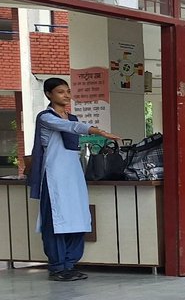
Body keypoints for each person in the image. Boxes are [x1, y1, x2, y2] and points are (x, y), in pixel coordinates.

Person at [26, 78, 120, 281]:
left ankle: (69, 264)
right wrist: (97, 131)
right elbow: (70, 128)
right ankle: (58, 267)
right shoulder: (46, 118)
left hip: (74, 178)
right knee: (56, 223)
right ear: (49, 94)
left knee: (78, 220)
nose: (66, 95)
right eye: (61, 92)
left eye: (68, 91)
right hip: (54, 179)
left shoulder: (72, 117)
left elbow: (73, 126)